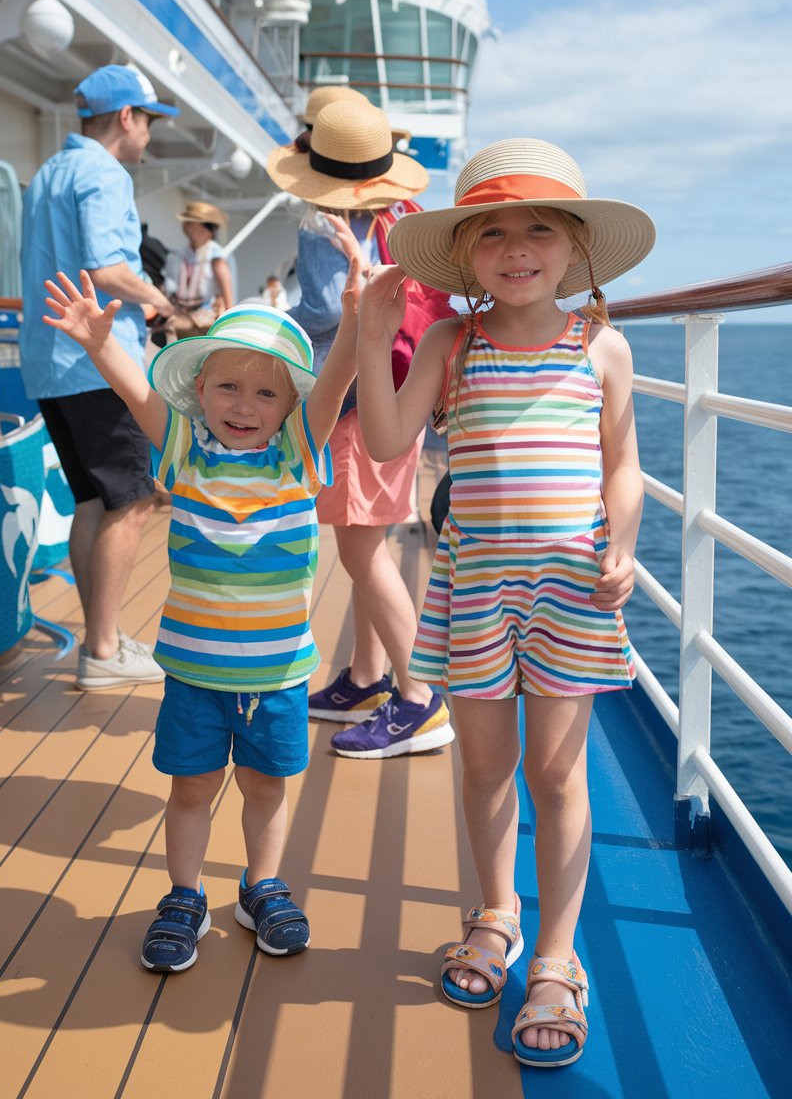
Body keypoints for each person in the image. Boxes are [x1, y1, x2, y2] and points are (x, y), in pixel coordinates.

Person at [356, 138, 655, 1067]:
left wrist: (628, 545)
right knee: (484, 766)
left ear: (575, 248)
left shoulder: (601, 345)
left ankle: (559, 958)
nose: (516, 248)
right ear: (467, 255)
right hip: (475, 586)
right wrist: (373, 334)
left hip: (571, 589)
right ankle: (497, 914)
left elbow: (623, 463)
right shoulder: (453, 341)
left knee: (560, 776)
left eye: (539, 230)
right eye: (492, 234)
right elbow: (386, 434)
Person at [41, 233, 363, 974]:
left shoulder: (298, 453)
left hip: (279, 675)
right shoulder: (182, 448)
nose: (244, 406)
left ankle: (262, 885)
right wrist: (99, 343)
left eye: (266, 392)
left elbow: (339, 378)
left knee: (265, 788)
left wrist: (352, 319)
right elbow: (137, 392)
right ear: (200, 390)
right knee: (191, 791)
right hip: (194, 671)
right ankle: (184, 896)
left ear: (290, 405)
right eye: (227, 387)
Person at [266, 96, 456, 759]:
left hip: (348, 396)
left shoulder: (325, 219)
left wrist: (273, 327)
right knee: (368, 539)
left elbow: (324, 312)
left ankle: (419, 699)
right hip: (399, 390)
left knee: (359, 550)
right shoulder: (400, 214)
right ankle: (367, 678)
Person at [19, 63, 178, 690]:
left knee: (95, 498)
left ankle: (100, 640)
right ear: (126, 118)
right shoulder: (104, 172)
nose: (150, 135)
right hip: (96, 360)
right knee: (134, 499)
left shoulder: (50, 173)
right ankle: (105, 649)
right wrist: (168, 304)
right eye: (149, 120)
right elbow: (108, 269)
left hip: (47, 361)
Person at [164, 201, 233, 336]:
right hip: (181, 317)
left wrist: (227, 319)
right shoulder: (180, 255)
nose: (185, 226)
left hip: (205, 319)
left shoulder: (216, 256)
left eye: (190, 222)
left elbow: (226, 292)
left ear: (206, 229)